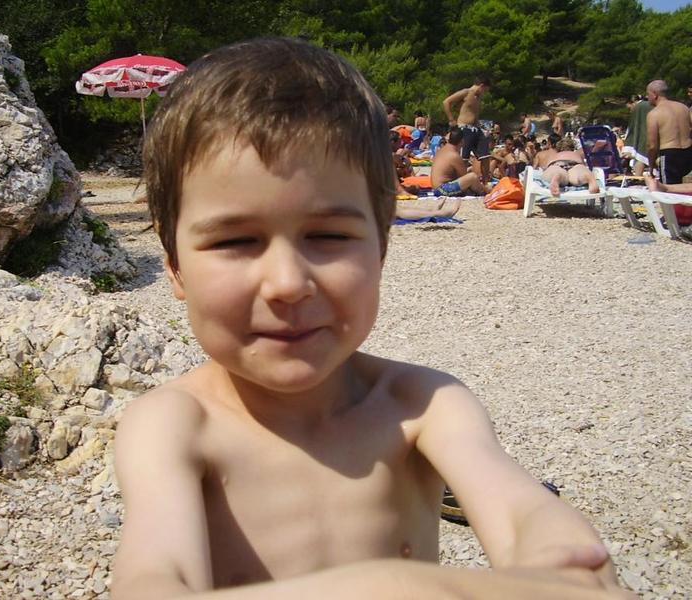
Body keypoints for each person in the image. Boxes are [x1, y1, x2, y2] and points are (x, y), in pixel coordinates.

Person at [117, 37, 630, 599]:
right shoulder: (172, 427)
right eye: (235, 241)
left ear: (380, 249)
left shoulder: (424, 405)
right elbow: (152, 582)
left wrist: (561, 558)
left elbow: (521, 512)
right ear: (175, 266)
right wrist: (402, 585)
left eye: (329, 236)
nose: (287, 283)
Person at [442, 76, 493, 184]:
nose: (485, 93)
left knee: (485, 155)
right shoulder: (466, 92)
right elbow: (446, 102)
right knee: (464, 158)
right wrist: (451, 119)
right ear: (481, 86)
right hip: (464, 127)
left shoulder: (478, 97)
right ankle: (461, 182)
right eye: (485, 90)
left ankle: (486, 182)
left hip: (476, 128)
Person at [645, 79, 692, 184]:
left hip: (670, 155)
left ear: (654, 94)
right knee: (685, 189)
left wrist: (651, 166)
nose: (647, 97)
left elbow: (652, 146)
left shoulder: (654, 114)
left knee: (668, 191)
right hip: (688, 152)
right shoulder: (684, 108)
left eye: (648, 94)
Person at [430, 126, 487, 196]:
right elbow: (464, 176)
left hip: (436, 188)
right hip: (442, 190)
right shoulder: (454, 155)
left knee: (470, 178)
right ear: (462, 141)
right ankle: (485, 192)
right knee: (472, 177)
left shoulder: (443, 150)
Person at [623, 95, 652, 176]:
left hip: (644, 141)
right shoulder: (645, 107)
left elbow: (632, 129)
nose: (630, 111)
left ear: (633, 102)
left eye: (629, 108)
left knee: (640, 156)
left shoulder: (640, 108)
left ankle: (637, 177)